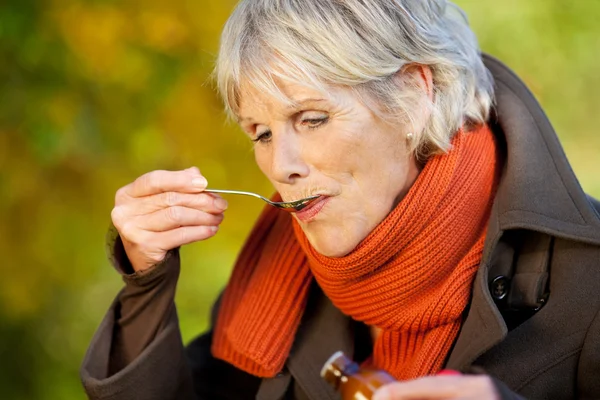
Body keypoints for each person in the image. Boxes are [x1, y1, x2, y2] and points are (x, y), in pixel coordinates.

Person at [80, 0, 600, 399]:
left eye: (311, 119)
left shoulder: (590, 280)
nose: (281, 165)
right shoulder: (273, 272)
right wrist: (147, 282)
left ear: (416, 95)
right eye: (260, 132)